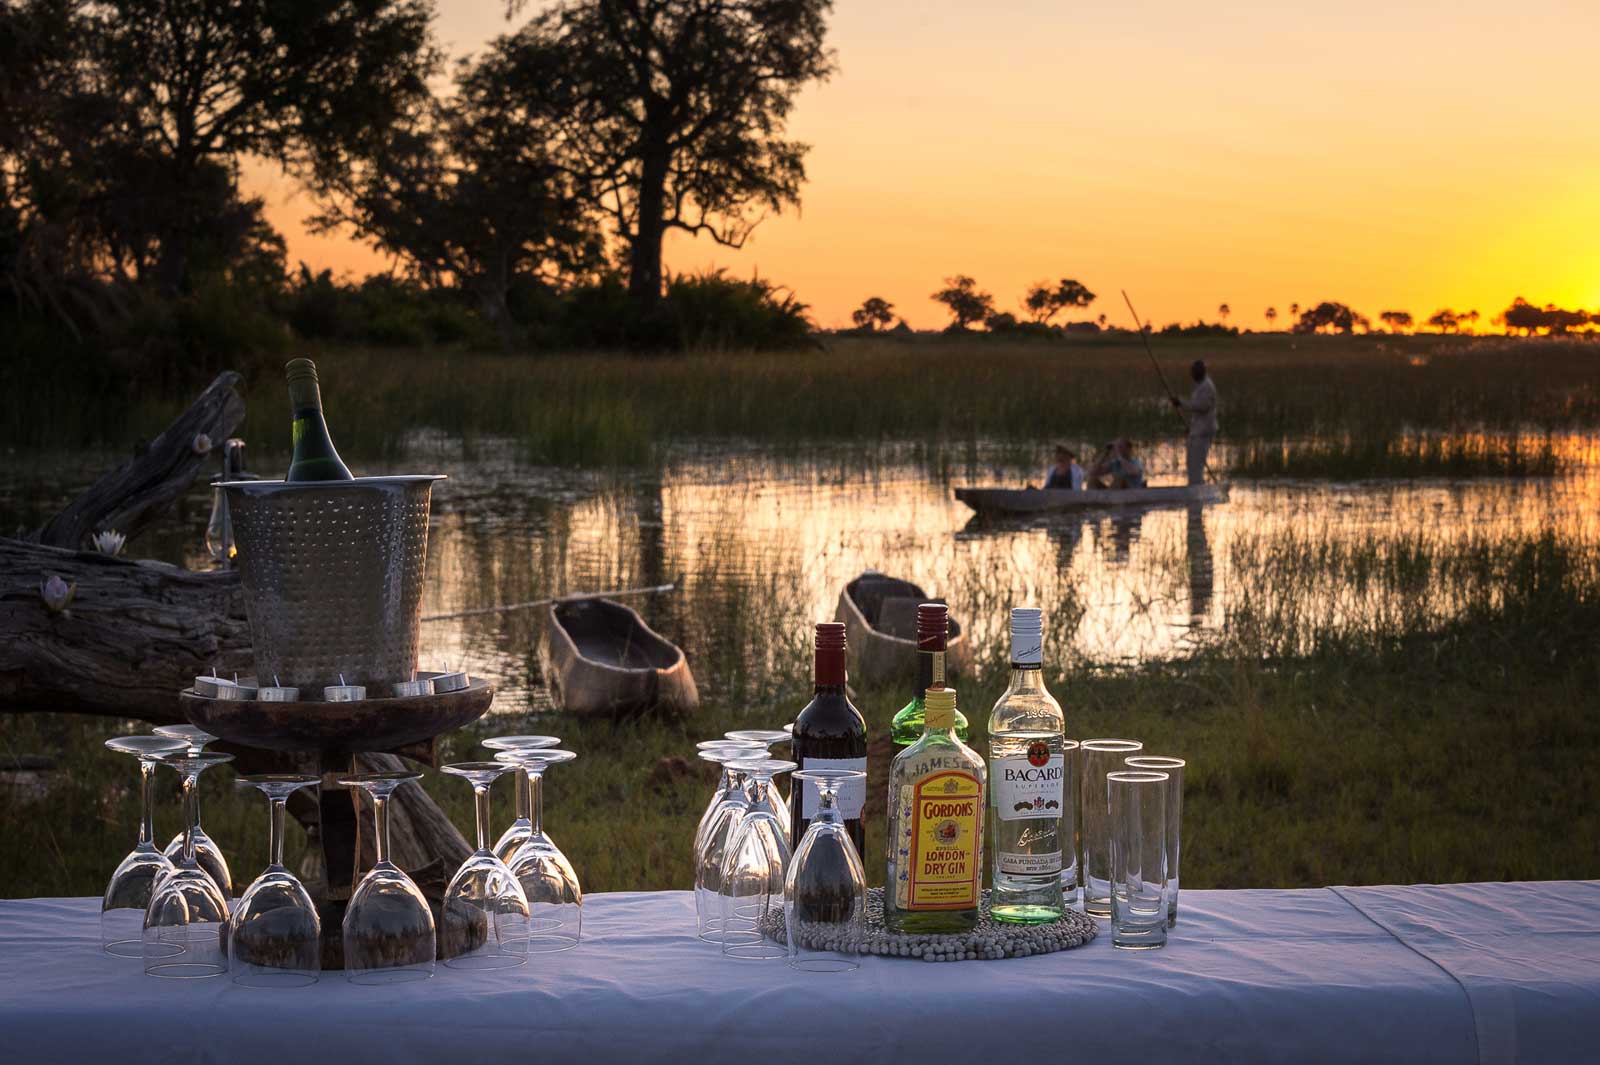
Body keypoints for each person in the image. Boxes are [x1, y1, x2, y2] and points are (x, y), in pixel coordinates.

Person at [1170, 359, 1218, 486]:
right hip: (1197, 431)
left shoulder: (1207, 387)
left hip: (1203, 432)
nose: (1192, 375)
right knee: (1192, 464)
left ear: (1201, 372)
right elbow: (1198, 413)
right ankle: (1194, 488)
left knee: (1196, 465)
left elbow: (1202, 407)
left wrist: (1181, 403)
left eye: (1194, 372)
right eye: (1192, 372)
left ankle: (1197, 490)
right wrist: (1191, 428)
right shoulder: (1200, 385)